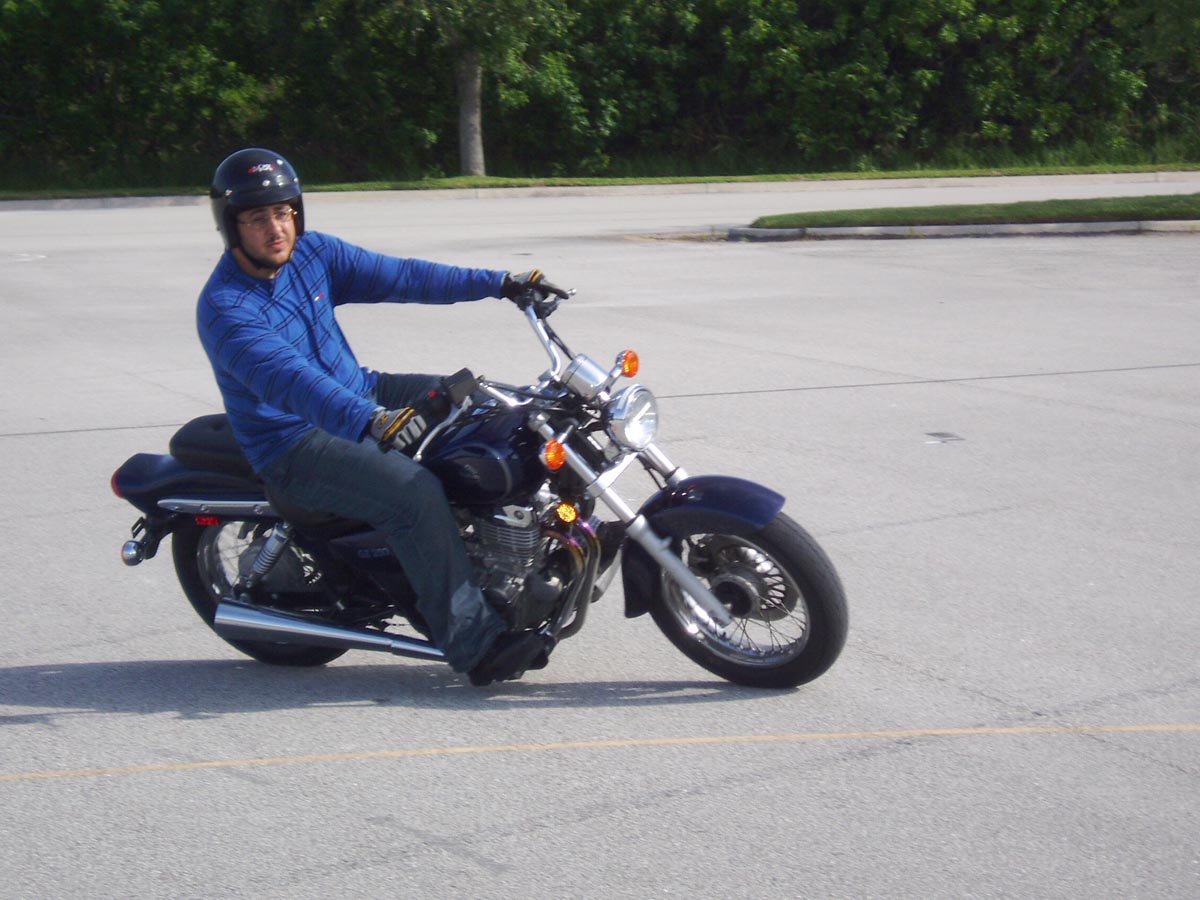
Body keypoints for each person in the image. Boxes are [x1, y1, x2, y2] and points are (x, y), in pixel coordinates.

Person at [198, 147, 560, 685]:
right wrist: (370, 419)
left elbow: (403, 276)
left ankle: (516, 549)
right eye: (257, 218)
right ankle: (475, 643)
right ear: (232, 226)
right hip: (295, 441)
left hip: (362, 391)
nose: (275, 228)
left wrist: (501, 283)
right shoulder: (227, 308)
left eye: (283, 212)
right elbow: (294, 382)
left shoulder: (312, 254)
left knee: (491, 405)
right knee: (412, 492)